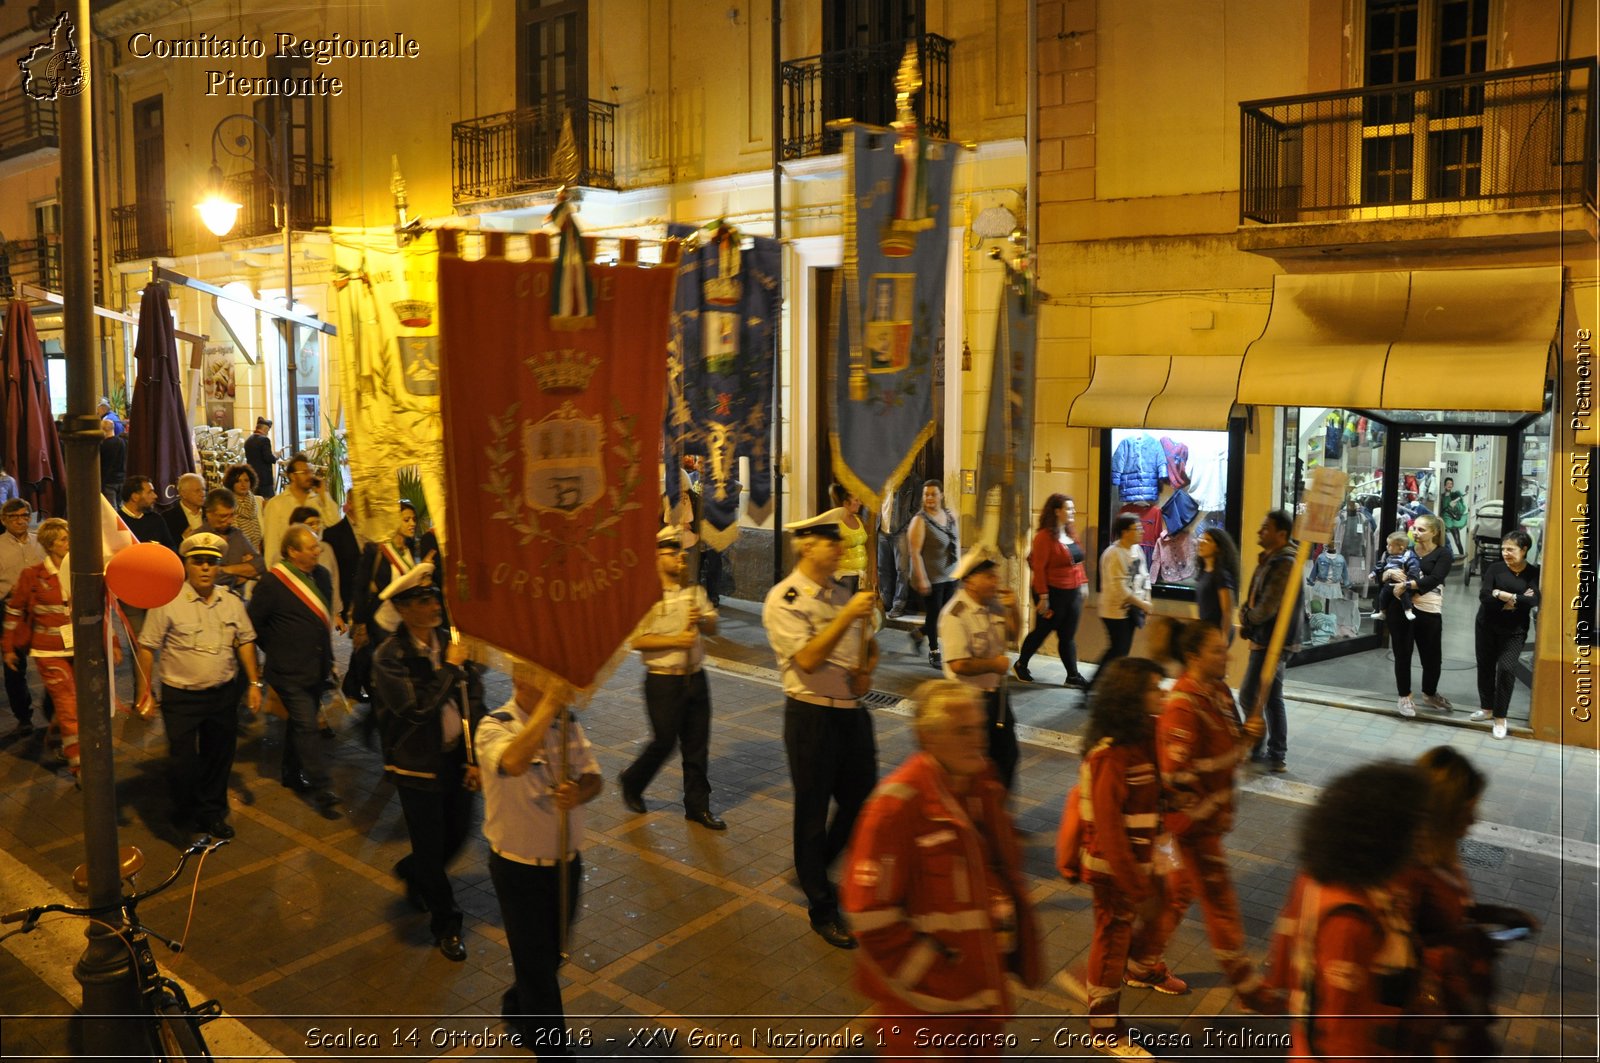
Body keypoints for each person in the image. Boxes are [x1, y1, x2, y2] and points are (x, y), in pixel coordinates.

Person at [841, 679, 1041, 1058]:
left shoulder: (984, 787)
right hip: (925, 1016)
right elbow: (869, 916)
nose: (977, 740)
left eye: (978, 728)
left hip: (981, 998)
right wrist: (936, 974)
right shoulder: (897, 808)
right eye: (961, 731)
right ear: (927, 737)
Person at [762, 511, 880, 950]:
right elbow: (809, 659)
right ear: (807, 545)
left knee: (862, 802)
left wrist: (868, 668)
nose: (839, 548)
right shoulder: (785, 598)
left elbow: (868, 646)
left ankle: (814, 869)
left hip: (852, 713)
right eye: (831, 542)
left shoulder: (842, 592)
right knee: (811, 815)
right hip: (811, 716)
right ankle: (822, 908)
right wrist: (848, 614)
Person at [1264, 762, 1430, 1060]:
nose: (1420, 836)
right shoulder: (1349, 919)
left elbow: (1285, 942)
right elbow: (1342, 1031)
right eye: (1412, 826)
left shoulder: (1321, 873)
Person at [1156, 620, 1280, 1013]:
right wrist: (1202, 812)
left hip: (1211, 818)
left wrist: (1249, 736)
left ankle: (1141, 962)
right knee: (1220, 903)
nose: (1225, 655)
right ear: (1193, 657)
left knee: (1177, 894)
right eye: (1215, 650)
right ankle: (1247, 987)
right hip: (1193, 825)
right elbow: (1175, 774)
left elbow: (1233, 746)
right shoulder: (1183, 703)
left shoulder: (1220, 692)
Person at [1067, 657, 1188, 1059]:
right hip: (1114, 869)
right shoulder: (1108, 756)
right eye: (1155, 688)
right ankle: (1105, 1029)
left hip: (1144, 859)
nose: (1164, 693)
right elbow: (1107, 830)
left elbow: (1160, 785)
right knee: (1112, 941)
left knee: (1163, 908)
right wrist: (1135, 885)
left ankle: (1142, 970)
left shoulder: (1146, 732)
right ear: (1132, 697)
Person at [479, 665, 602, 1056]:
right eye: (542, 679)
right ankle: (552, 1050)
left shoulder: (567, 723)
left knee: (551, 956)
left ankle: (517, 1005)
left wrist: (578, 793)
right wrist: (550, 705)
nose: (554, 686)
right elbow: (514, 763)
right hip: (518, 868)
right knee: (537, 967)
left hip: (566, 862)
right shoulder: (493, 726)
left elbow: (593, 777)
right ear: (519, 679)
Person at [372, 575, 485, 962]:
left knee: (458, 834)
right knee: (432, 846)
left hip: (456, 759)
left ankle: (413, 870)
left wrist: (475, 758)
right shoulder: (390, 655)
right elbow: (415, 711)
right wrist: (450, 669)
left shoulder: (452, 642)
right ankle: (447, 925)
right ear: (403, 609)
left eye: (434, 596)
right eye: (422, 600)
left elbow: (474, 702)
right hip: (416, 766)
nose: (435, 605)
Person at [1399, 746, 1537, 1059]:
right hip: (1434, 1025)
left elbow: (1448, 915)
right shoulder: (1408, 871)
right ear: (1444, 813)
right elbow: (1400, 946)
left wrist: (1499, 914)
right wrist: (1466, 941)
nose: (1476, 820)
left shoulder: (1443, 857)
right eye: (1468, 810)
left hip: (1461, 1009)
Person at [135, 532, 262, 839]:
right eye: (198, 562)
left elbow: (245, 641)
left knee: (219, 758)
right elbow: (147, 646)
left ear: (218, 567)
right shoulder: (168, 602)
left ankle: (212, 814)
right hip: (181, 697)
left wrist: (255, 683)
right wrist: (145, 692)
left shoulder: (231, 603)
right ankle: (184, 807)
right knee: (183, 760)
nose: (205, 568)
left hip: (221, 695)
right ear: (187, 565)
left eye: (211, 562)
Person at [619, 527, 725, 830]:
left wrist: (703, 620)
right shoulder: (645, 595)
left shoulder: (693, 591)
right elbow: (637, 641)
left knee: (697, 744)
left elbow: (713, 627)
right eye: (672, 552)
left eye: (681, 552)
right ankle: (632, 780)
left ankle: (697, 806)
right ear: (656, 556)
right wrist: (675, 641)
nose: (680, 557)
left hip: (696, 677)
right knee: (664, 741)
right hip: (663, 680)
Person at [247, 524, 341, 818]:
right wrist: (276, 647)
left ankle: (290, 772)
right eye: (311, 547)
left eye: (317, 546)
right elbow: (254, 623)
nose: (318, 551)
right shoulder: (272, 584)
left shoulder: (322, 577)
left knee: (298, 726)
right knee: (306, 724)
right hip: (289, 670)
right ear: (292, 552)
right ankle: (321, 786)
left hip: (317, 666)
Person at [938, 544, 1022, 791]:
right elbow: (958, 664)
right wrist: (993, 664)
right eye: (989, 576)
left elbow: (1012, 634)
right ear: (970, 581)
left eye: (995, 575)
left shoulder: (994, 604)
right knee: (974, 763)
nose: (995, 581)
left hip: (997, 697)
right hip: (969, 700)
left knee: (1007, 757)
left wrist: (1013, 608)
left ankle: (998, 818)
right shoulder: (955, 614)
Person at [2, 519, 78, 778]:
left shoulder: (81, 571)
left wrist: (111, 643)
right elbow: (14, 610)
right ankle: (79, 764)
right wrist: (8, 647)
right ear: (49, 544)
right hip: (48, 653)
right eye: (64, 540)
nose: (69, 544)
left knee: (72, 703)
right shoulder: (32, 575)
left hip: (78, 650)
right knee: (68, 705)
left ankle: (57, 737)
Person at [1238, 509, 1299, 773]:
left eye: (1265, 528)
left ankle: (1262, 748)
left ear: (1281, 534)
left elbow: (1268, 605)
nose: (1259, 532)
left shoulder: (1284, 562)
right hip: (1268, 637)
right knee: (1271, 697)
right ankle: (1273, 753)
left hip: (1272, 640)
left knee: (1250, 695)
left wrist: (1248, 618)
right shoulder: (1273, 559)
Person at [1469, 530, 1540, 740]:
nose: (1505, 553)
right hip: (1486, 625)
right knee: (1486, 666)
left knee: (1507, 669)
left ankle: (1500, 717)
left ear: (1524, 549)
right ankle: (1487, 708)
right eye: (1503, 549)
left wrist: (1501, 594)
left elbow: (1534, 600)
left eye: (1511, 549)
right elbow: (1485, 596)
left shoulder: (1533, 573)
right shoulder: (1495, 568)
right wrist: (1517, 597)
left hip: (1514, 630)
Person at [1015, 493, 1089, 686]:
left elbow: (1078, 561)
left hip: (1072, 593)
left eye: (1073, 508)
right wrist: (1043, 597)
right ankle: (1021, 664)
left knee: (1067, 635)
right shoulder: (1044, 537)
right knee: (1042, 631)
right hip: (1051, 593)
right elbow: (1039, 568)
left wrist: (1084, 583)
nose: (1073, 511)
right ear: (1057, 511)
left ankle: (1072, 675)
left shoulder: (1071, 533)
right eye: (1069, 508)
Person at [1386, 514, 1455, 718]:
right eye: (1414, 528)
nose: (1415, 532)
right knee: (1402, 655)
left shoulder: (1443, 554)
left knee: (1432, 658)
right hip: (1400, 609)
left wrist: (1406, 585)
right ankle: (1404, 696)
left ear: (1434, 532)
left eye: (1421, 530)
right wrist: (1388, 575)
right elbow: (1385, 572)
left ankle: (1430, 693)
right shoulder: (1404, 550)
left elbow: (1435, 579)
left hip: (1429, 610)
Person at [0, 499, 47, 740]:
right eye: (14, 516)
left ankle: (54, 711)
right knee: (15, 668)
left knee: (51, 661)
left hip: (43, 612)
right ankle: (24, 717)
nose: (20, 520)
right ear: (4, 520)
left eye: (24, 515)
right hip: (12, 614)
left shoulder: (40, 541)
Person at [1090, 514, 1152, 689]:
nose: (1141, 532)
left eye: (1141, 528)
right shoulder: (1114, 554)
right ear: (1125, 532)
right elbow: (1119, 589)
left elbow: (1145, 576)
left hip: (1132, 609)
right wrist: (1144, 605)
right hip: (1114, 611)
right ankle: (1097, 686)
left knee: (1119, 651)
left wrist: (1147, 600)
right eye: (1137, 529)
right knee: (1118, 651)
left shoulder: (1137, 549)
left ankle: (1102, 686)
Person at [906, 478, 959, 668]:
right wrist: (921, 578)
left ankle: (918, 633)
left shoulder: (951, 515)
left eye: (933, 494)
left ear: (941, 495)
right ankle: (934, 650)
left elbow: (956, 543)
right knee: (935, 615)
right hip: (931, 578)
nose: (929, 498)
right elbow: (914, 552)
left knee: (946, 615)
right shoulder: (919, 521)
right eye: (926, 494)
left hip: (951, 575)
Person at [260, 453, 342, 569]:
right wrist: (272, 572)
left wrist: (324, 494)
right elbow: (271, 543)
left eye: (311, 472)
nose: (310, 476)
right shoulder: (276, 504)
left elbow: (335, 524)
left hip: (317, 565)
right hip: (288, 567)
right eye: (305, 473)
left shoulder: (318, 500)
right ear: (292, 476)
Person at [199, 489, 265, 595]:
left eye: (232, 515)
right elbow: (209, 578)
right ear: (209, 513)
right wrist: (242, 573)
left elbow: (260, 564)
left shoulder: (237, 535)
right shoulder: (198, 538)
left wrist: (223, 569)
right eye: (223, 516)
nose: (230, 521)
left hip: (237, 602)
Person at [1193, 527, 1240, 643]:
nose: (1201, 542)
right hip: (1207, 631)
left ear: (1218, 548)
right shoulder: (1204, 572)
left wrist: (1223, 638)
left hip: (1217, 632)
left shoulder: (1221, 575)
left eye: (1208, 540)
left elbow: (1227, 611)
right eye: (1201, 539)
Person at [1370, 531, 1423, 623]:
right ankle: (1382, 612)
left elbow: (1413, 569)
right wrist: (1374, 572)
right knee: (1383, 596)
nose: (1387, 547)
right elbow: (1380, 565)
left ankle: (1408, 611)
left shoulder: (1409, 557)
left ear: (1401, 548)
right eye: (1387, 544)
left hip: (1402, 583)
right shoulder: (1386, 554)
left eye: (1390, 545)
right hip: (1388, 582)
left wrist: (1408, 581)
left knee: (1405, 596)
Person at [828, 484, 868, 593]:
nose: (860, 503)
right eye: (856, 500)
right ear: (846, 503)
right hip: (843, 576)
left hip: (860, 575)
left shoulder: (859, 519)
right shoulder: (836, 523)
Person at [118, 475, 176, 551]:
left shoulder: (156, 519)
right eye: (150, 492)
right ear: (135, 497)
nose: (155, 496)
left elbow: (171, 548)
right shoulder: (117, 520)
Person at [223, 464, 266, 553]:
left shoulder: (259, 501)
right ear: (231, 483)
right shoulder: (227, 504)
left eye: (246, 480)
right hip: (236, 555)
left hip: (257, 555)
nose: (243, 484)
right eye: (238, 481)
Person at [161, 472, 208, 543]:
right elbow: (167, 546)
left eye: (203, 489)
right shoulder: (167, 518)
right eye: (197, 490)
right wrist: (184, 539)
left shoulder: (210, 512)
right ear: (183, 493)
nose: (202, 494)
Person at [244, 417, 277, 499]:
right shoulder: (264, 440)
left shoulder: (248, 440)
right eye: (268, 430)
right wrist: (276, 456)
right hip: (265, 480)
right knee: (267, 504)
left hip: (253, 478)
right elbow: (268, 458)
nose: (267, 433)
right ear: (265, 429)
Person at [99, 419, 126, 506]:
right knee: (120, 506)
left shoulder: (103, 446)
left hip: (109, 481)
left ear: (103, 430)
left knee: (111, 509)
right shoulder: (122, 442)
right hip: (121, 479)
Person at [1441, 476, 1468, 555]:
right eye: (1448, 483)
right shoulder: (1442, 496)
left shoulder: (1454, 494)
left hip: (1452, 521)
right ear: (1444, 485)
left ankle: (1462, 557)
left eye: (1451, 484)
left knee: (1457, 541)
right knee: (1441, 542)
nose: (1449, 485)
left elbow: (1454, 506)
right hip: (1444, 521)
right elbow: (1446, 506)